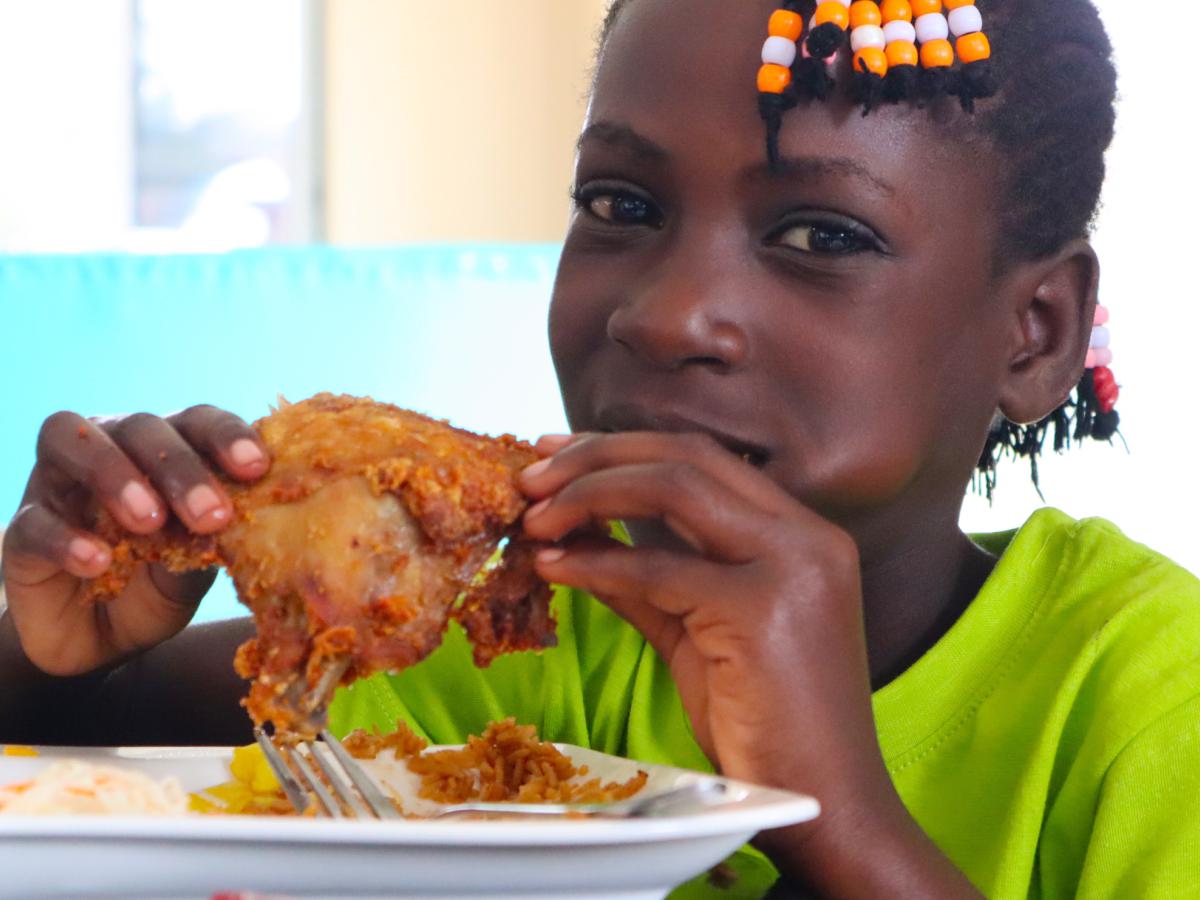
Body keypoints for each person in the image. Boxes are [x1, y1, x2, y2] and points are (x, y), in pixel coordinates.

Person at [3, 0, 1198, 896]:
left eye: (822, 231)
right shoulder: (526, 649)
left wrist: (838, 814)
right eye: (620, 206)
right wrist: (55, 654)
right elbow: (84, 753)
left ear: (1034, 334)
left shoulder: (1150, 698)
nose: (667, 315)